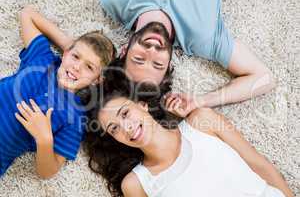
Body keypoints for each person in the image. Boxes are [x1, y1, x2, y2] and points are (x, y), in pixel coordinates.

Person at [84, 78, 293, 197]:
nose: (126, 127)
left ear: (142, 105)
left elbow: (260, 165)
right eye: (114, 129)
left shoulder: (202, 120)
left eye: (125, 113)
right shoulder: (136, 184)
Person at [0, 5, 115, 178]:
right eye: (75, 57)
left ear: (97, 80)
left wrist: (44, 138)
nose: (76, 67)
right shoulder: (42, 59)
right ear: (65, 53)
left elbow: (47, 172)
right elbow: (27, 14)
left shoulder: (75, 119)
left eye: (89, 67)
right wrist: (69, 45)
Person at [99, 0, 276, 108]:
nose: (152, 50)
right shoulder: (202, 37)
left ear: (123, 52)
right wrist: (202, 101)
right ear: (169, 62)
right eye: (157, 64)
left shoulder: (114, 2)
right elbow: (264, 78)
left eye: (139, 59)